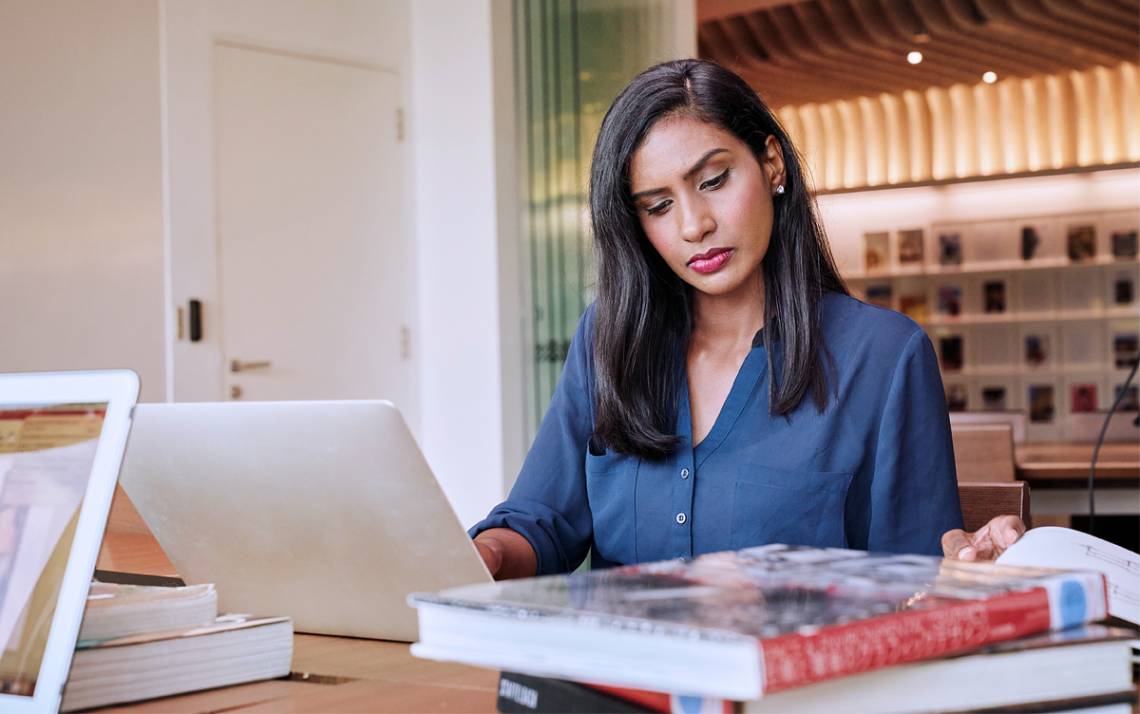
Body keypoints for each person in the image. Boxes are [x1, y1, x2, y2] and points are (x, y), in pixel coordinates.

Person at [471, 59, 1024, 580]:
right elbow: (541, 523)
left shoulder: (883, 357)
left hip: (803, 680)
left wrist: (968, 563)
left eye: (713, 181)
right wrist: (479, 553)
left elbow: (917, 576)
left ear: (771, 163)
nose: (694, 225)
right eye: (658, 206)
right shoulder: (608, 339)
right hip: (620, 677)